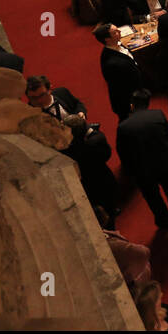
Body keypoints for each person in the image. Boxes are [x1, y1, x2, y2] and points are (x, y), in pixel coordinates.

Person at [24, 75, 119, 226]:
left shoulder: (62, 93)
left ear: (50, 89)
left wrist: (81, 113)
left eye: (42, 95)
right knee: (88, 186)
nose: (39, 101)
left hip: (87, 145)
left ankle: (112, 205)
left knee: (102, 175)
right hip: (69, 156)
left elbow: (78, 104)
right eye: (33, 98)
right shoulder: (31, 115)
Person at [115, 89, 168, 230]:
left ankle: (164, 222)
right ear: (148, 103)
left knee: (153, 198)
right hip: (164, 163)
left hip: (142, 170)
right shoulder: (158, 115)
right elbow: (167, 135)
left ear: (132, 105)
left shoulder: (123, 127)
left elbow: (123, 153)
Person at [94, 22, 144, 120]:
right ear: (107, 39)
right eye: (115, 32)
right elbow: (119, 87)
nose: (119, 31)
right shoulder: (111, 64)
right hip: (128, 102)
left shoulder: (117, 45)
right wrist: (131, 102)